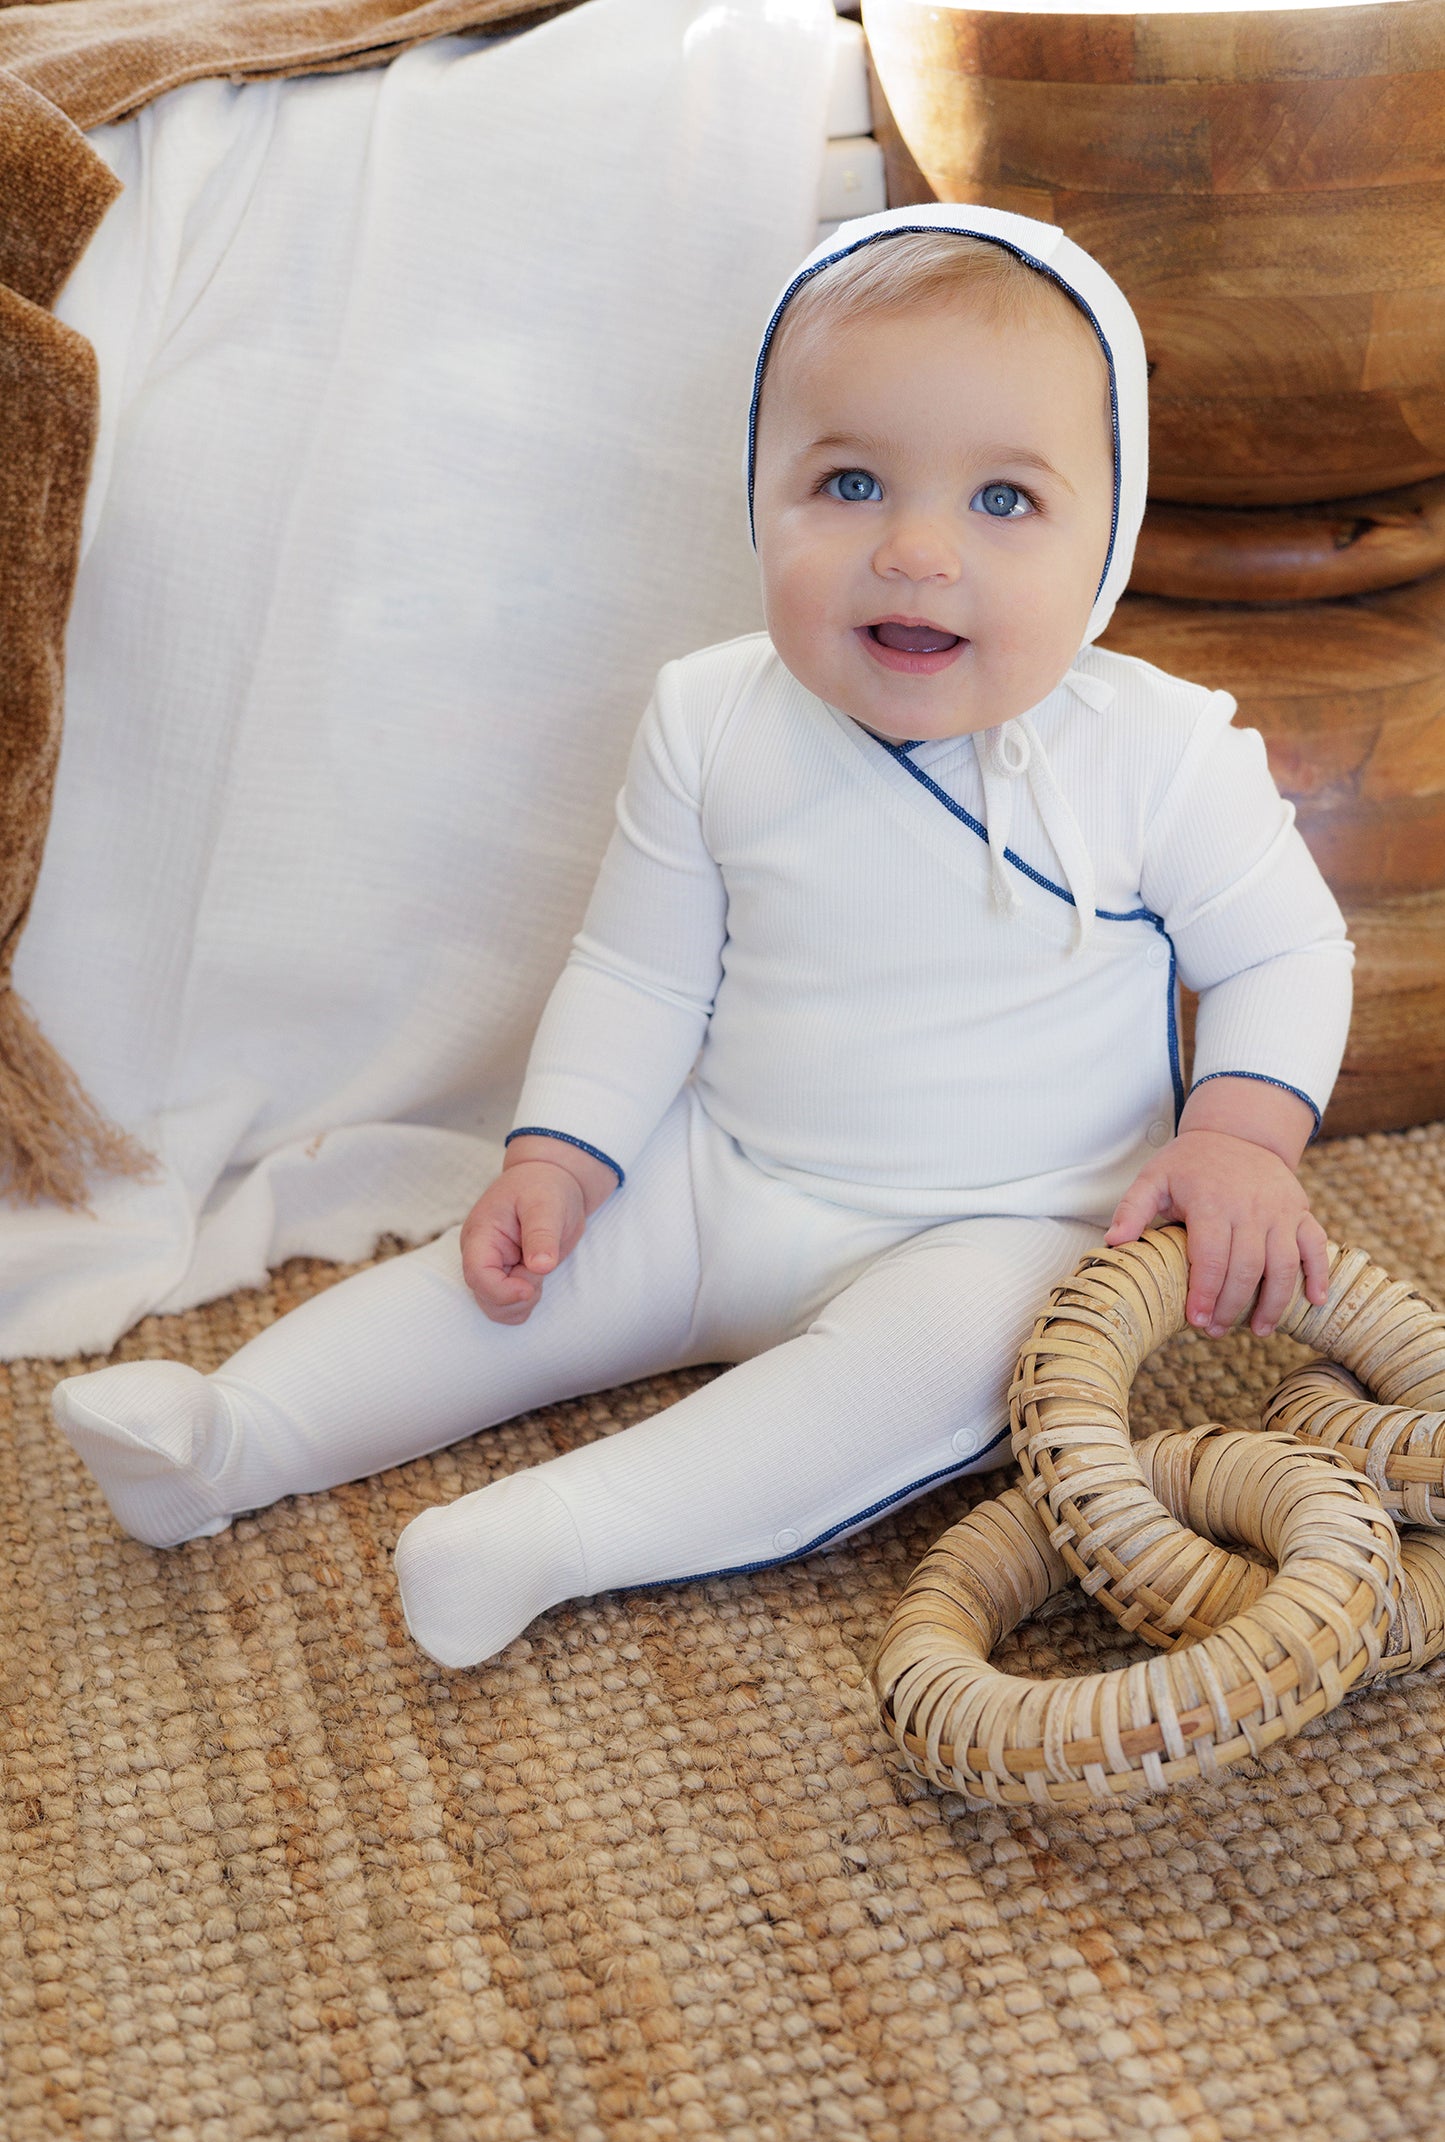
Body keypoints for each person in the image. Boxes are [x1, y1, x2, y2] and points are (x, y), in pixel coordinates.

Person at [53, 204, 1353, 1670]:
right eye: (850, 481)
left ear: (1106, 531)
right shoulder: (711, 716)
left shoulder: (1157, 752)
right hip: (719, 1168)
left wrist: (1241, 1131)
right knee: (496, 1274)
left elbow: (1282, 955)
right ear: (759, 494)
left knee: (946, 1362)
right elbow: (638, 968)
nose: (915, 551)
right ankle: (233, 1434)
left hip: (1008, 1224)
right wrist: (562, 1152)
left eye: (1002, 500)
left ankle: (553, 1531)